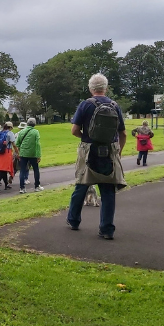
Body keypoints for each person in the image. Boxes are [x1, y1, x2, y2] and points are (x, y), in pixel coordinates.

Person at [68, 73, 127, 238]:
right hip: (109, 151)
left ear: (90, 88)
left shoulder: (85, 105)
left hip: (89, 150)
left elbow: (74, 130)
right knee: (108, 191)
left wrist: (86, 138)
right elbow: (123, 133)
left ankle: (73, 220)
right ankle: (107, 229)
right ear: (105, 88)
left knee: (81, 186)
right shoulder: (115, 106)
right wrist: (119, 151)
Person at [16, 116, 44, 193]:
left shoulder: (21, 132)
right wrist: (38, 155)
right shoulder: (35, 132)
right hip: (33, 154)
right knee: (36, 170)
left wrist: (18, 153)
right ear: (34, 124)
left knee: (22, 171)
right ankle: (37, 186)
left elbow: (17, 143)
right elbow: (37, 144)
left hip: (23, 154)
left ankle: (22, 188)